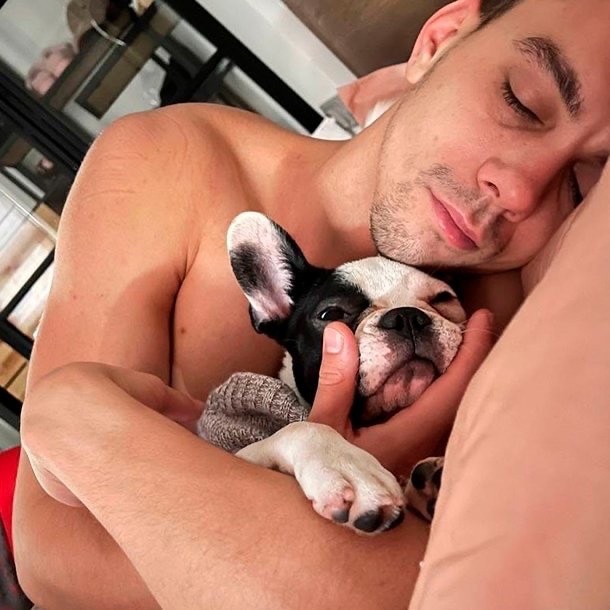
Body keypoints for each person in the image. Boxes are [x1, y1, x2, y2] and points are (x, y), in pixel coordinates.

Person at [12, 0, 610, 607]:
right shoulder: (175, 164)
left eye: (581, 182)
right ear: (441, 39)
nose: (519, 189)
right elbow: (57, 554)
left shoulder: (538, 298)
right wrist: (340, 471)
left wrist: (86, 422)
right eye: (521, 102)